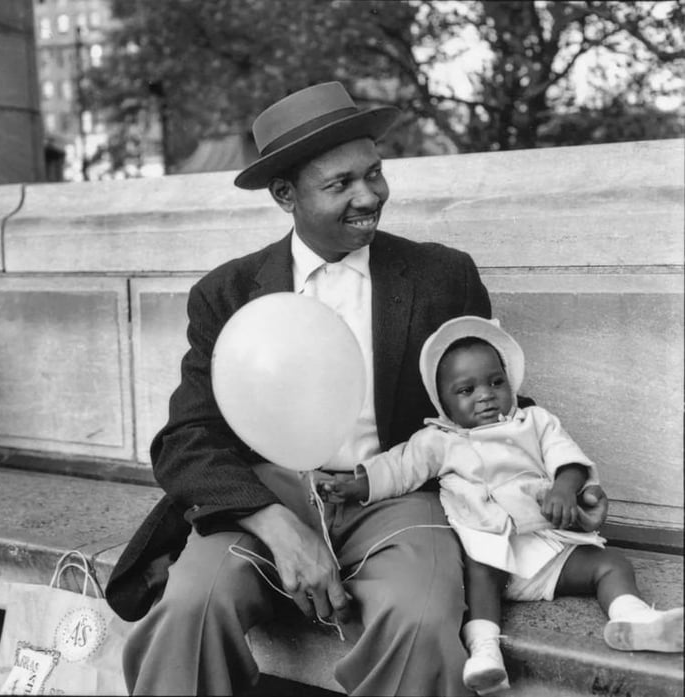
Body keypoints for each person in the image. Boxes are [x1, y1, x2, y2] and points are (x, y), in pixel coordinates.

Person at [105, 81, 608, 696]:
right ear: (285, 194)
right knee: (190, 609)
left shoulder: (441, 276)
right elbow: (186, 439)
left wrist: (564, 482)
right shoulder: (228, 294)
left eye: (374, 173)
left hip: (400, 494)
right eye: (340, 184)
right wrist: (275, 522)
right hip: (264, 498)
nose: (369, 195)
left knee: (421, 623)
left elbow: (490, 405)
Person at [318, 315, 684, 696]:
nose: (485, 395)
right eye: (466, 390)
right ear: (442, 402)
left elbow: (568, 460)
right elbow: (400, 467)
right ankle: (485, 652)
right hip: (491, 551)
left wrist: (563, 488)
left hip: (547, 550)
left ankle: (633, 618)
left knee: (611, 564)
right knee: (477, 574)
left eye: (496, 382)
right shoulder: (439, 440)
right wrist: (360, 485)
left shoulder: (535, 421)